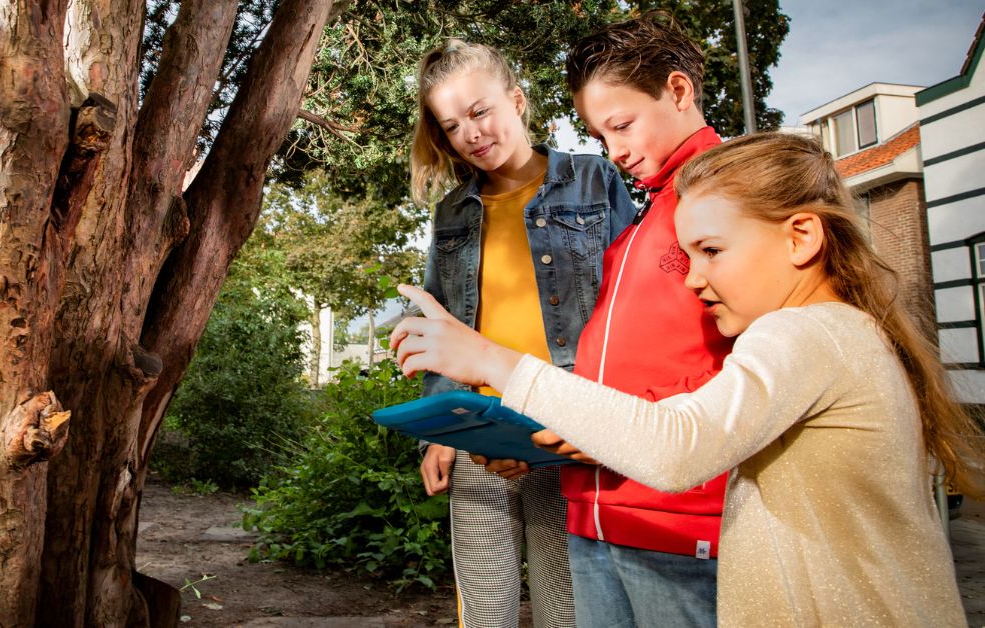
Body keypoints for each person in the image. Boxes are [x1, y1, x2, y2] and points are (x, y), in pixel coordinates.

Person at [391, 131, 983, 626]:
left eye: (711, 250)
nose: (694, 279)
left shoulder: (803, 335)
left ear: (800, 236)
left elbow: (676, 445)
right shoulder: (845, 332)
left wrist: (494, 361)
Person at [465, 13, 734, 628]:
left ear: (679, 91)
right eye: (599, 134)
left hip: (679, 527)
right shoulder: (634, 231)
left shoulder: (733, 204)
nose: (614, 153)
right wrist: (544, 440)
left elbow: (755, 371)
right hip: (593, 518)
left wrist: (605, 432)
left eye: (622, 125)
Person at [408, 38, 635, 627]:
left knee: (568, 610)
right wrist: (441, 431)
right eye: (452, 125)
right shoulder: (452, 212)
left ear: (516, 100)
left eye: (480, 111)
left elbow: (630, 306)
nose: (472, 134)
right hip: (482, 433)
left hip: (568, 426)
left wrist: (612, 418)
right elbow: (442, 324)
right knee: (486, 613)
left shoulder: (595, 182)